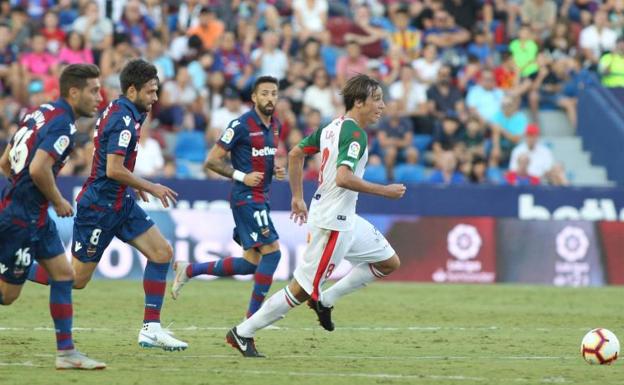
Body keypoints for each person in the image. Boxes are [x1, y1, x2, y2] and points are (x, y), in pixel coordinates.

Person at [225, 74, 406, 357]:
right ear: (359, 102)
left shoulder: (333, 127)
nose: (382, 105)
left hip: (344, 217)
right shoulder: (355, 133)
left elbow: (296, 153)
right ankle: (242, 332)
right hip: (334, 222)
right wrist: (385, 191)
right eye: (377, 99)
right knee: (301, 290)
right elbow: (344, 178)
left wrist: (298, 197)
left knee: (387, 262)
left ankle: (327, 299)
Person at [26, 59, 188, 351]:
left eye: (156, 91)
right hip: (99, 207)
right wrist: (149, 186)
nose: (155, 98)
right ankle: (14, 266)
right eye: (150, 92)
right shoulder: (123, 119)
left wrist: (130, 186)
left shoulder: (126, 110)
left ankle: (151, 328)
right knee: (75, 280)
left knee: (162, 252)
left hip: (120, 202)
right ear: (132, 89)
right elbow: (113, 169)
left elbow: (115, 166)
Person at [0, 64, 106, 369]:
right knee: (7, 296)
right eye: (93, 90)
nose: (99, 97)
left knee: (64, 274)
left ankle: (66, 353)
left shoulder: (39, 112)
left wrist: (22, 192)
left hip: (31, 211)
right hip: (22, 216)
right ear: (74, 92)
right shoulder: (63, 125)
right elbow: (38, 168)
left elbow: (5, 162)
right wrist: (57, 200)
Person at [171, 76, 285, 320]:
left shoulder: (276, 125)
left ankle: (189, 270)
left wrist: (273, 169)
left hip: (261, 196)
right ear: (254, 97)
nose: (270, 98)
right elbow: (211, 160)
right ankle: (253, 319)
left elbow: (262, 156)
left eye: (274, 93)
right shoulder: (241, 124)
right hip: (246, 197)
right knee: (273, 253)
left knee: (250, 263)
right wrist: (242, 176)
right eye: (264, 93)